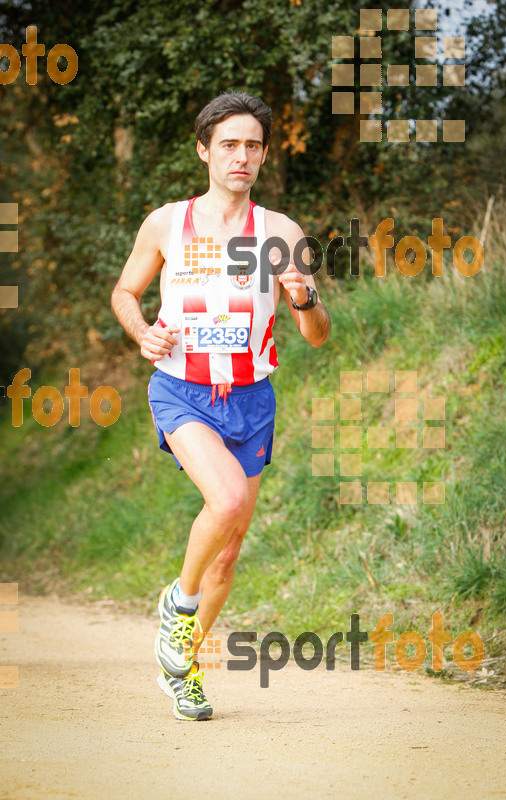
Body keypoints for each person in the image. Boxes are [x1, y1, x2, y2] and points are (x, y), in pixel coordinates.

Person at [111, 91, 331, 720]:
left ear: (264, 155)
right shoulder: (165, 223)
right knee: (227, 501)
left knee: (230, 550)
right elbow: (126, 292)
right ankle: (177, 605)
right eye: (228, 144)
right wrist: (141, 332)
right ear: (204, 150)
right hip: (180, 390)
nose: (241, 155)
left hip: (251, 400)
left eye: (253, 145)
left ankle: (182, 666)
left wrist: (303, 299)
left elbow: (317, 335)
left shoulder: (282, 232)